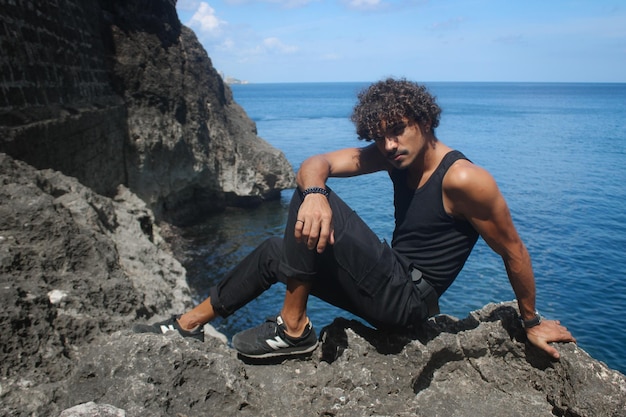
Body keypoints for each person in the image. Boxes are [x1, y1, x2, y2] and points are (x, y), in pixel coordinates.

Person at [134, 78, 575, 360]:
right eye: (378, 136)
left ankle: (293, 330)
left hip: (408, 300)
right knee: (282, 243)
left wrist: (531, 321)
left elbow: (513, 249)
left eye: (398, 129)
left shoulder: (463, 179)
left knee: (314, 208)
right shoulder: (394, 156)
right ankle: (187, 324)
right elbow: (315, 163)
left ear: (423, 121)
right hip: (389, 280)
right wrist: (313, 195)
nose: (388, 144)